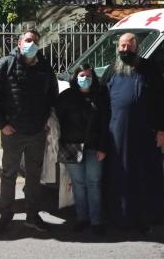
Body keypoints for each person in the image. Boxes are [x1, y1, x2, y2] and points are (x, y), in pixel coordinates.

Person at [0, 28, 59, 234]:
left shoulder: (44, 67)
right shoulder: (5, 64)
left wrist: (47, 119)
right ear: (19, 43)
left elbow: (52, 94)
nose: (31, 44)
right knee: (9, 175)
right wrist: (1, 124)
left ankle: (32, 216)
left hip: (37, 132)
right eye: (27, 40)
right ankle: (5, 216)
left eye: (35, 41)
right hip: (13, 133)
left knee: (34, 177)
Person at [105, 32, 164, 234]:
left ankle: (144, 219)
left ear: (137, 48)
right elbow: (101, 101)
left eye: (129, 46)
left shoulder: (150, 69)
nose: (125, 50)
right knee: (120, 175)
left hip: (145, 133)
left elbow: (163, 101)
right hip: (117, 133)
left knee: (143, 176)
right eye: (122, 46)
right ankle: (121, 218)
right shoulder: (111, 70)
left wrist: (162, 129)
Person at [55, 63, 109, 236]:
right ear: (75, 77)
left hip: (94, 147)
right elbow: (56, 120)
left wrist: (103, 147)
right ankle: (82, 218)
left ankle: (96, 221)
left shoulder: (100, 97)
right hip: (71, 146)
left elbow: (105, 124)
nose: (85, 79)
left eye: (88, 76)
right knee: (78, 185)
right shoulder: (66, 97)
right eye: (82, 76)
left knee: (94, 184)